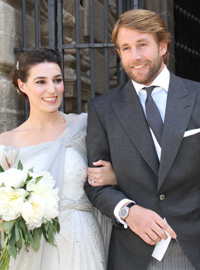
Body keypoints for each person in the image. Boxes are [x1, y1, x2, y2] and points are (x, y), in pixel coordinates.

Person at [85, 9, 200, 270]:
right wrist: (127, 211)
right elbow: (96, 184)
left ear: (162, 46)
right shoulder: (103, 109)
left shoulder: (197, 96)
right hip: (135, 254)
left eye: (142, 45)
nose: (134, 57)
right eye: (125, 48)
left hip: (194, 246)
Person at [0, 48, 116, 270]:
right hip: (32, 249)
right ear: (22, 85)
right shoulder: (7, 144)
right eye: (41, 82)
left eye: (57, 80)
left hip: (81, 241)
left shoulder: (84, 127)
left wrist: (115, 175)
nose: (52, 89)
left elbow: (132, 162)